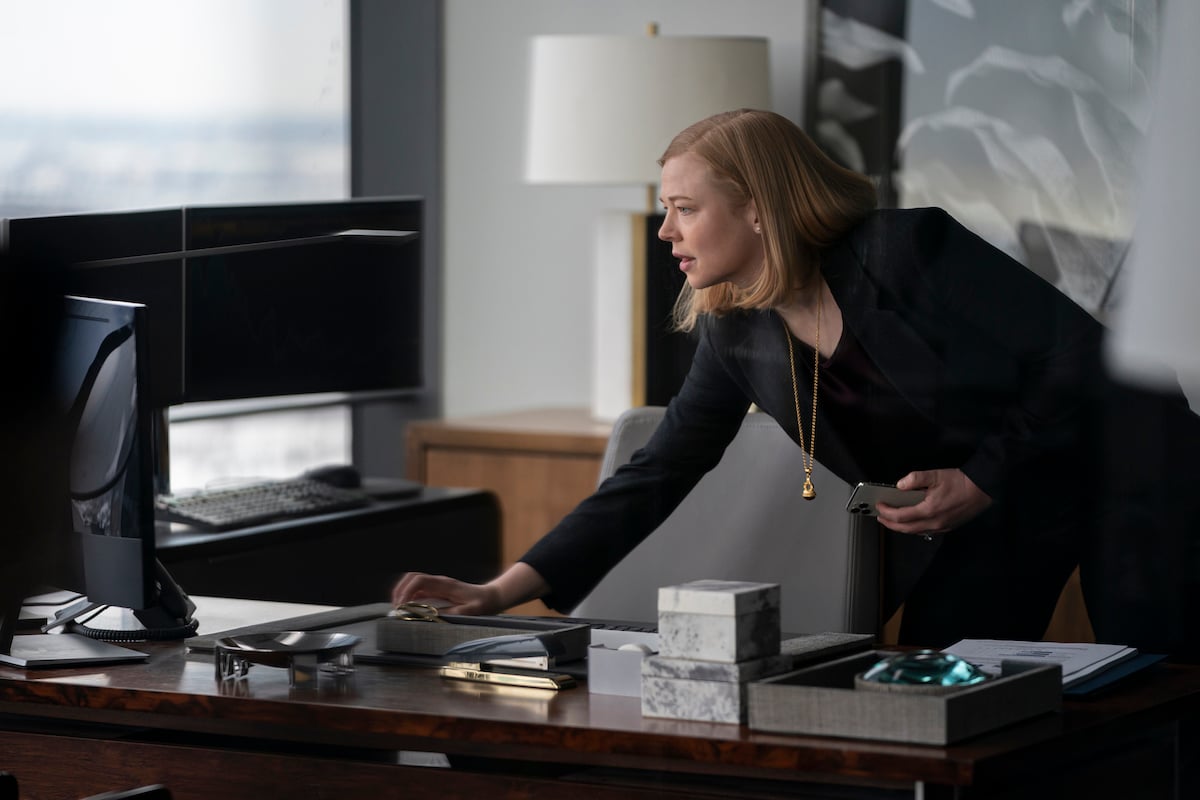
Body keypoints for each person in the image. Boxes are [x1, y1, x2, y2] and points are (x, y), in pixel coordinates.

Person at [394, 108, 1112, 647]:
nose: (663, 232)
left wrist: (982, 475)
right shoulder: (735, 330)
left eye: (684, 209)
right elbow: (658, 472)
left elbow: (1083, 354)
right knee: (934, 696)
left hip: (1128, 477)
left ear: (758, 209)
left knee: (1169, 687)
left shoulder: (906, 249)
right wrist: (498, 591)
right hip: (993, 518)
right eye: (664, 209)